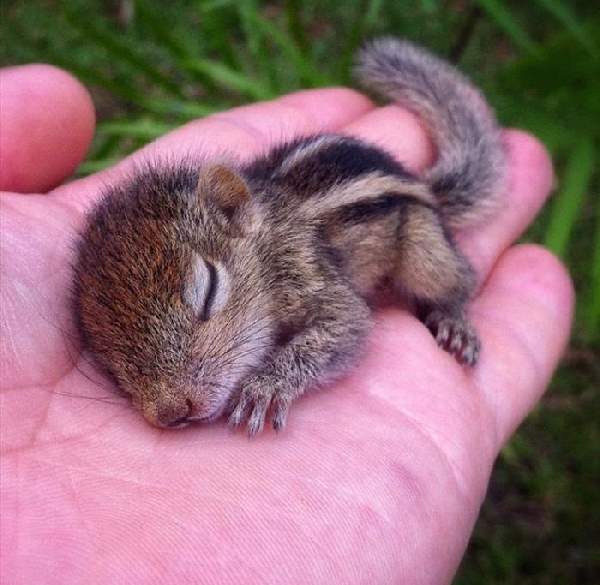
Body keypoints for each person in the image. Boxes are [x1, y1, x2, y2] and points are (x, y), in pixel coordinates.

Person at [0, 64, 573, 584]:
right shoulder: (187, 300)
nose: (163, 405)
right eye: (125, 367)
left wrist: (282, 375)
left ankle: (450, 301)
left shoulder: (284, 257)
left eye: (205, 301)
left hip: (394, 220)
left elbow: (347, 325)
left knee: (429, 269)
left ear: (233, 212)